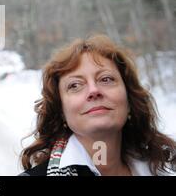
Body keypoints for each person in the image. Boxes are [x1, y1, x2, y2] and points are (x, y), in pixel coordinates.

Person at [20, 35, 176, 176]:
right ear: (61, 111)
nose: (94, 91)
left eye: (106, 79)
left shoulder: (163, 170)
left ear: (129, 101)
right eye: (75, 85)